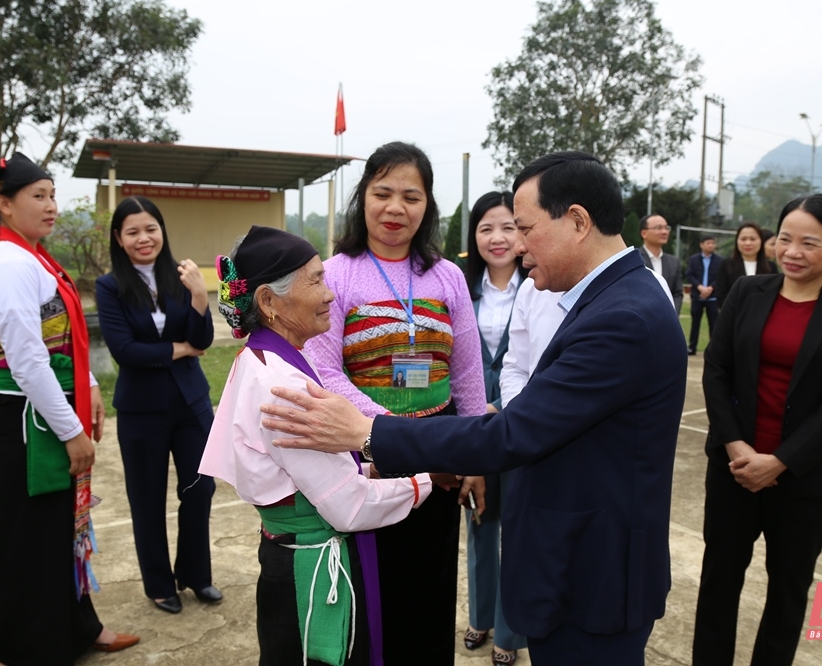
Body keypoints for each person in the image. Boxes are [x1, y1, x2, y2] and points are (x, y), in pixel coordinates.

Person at [264, 151, 688, 666]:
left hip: (592, 571)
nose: (517, 244)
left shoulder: (622, 316)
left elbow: (506, 428)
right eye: (382, 193)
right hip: (557, 549)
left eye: (526, 228)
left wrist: (370, 431)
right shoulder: (614, 300)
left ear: (577, 221)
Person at [198, 225, 437, 666]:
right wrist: (425, 480)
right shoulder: (283, 385)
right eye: (316, 281)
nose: (330, 295)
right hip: (313, 575)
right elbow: (347, 506)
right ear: (269, 302)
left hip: (291, 559)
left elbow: (314, 472)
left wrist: (372, 467)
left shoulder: (265, 359)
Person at [302, 141, 484, 665]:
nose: (395, 208)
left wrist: (472, 455)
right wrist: (386, 434)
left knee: (429, 590)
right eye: (382, 193)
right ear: (364, 199)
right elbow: (324, 370)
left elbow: (467, 370)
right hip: (366, 461)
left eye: (411, 195)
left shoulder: (447, 275)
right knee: (375, 597)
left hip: (440, 460)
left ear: (427, 206)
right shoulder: (335, 274)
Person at [0, 152, 139, 665]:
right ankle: (31, 647)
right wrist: (71, 432)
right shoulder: (8, 266)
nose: (50, 206)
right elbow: (27, 361)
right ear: (3, 203)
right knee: (29, 535)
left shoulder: (34, 257)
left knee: (61, 528)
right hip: (27, 418)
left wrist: (87, 389)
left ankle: (78, 628)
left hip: (50, 406)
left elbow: (64, 340)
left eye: (52, 194)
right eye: (37, 196)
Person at [692, 194, 822, 666]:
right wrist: (737, 447)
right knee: (719, 584)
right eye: (786, 239)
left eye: (809, 242)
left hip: (802, 481)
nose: (793, 251)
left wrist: (779, 461)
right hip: (734, 469)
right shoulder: (747, 294)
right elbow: (717, 370)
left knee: (788, 592)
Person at [94, 197, 220, 614]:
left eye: (150, 228)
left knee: (200, 488)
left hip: (191, 404)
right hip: (141, 409)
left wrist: (200, 298)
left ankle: (197, 576)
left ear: (161, 230)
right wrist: (178, 348)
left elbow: (201, 341)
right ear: (119, 238)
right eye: (132, 231)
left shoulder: (182, 276)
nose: (143, 238)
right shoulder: (110, 286)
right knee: (147, 499)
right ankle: (159, 584)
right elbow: (125, 351)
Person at [461, 190, 528, 665]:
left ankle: (510, 631)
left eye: (508, 226)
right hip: (471, 422)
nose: (498, 238)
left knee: (520, 527)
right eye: (486, 228)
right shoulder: (461, 287)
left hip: (523, 418)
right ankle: (481, 616)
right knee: (479, 516)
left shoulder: (541, 284)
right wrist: (473, 407)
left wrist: (499, 405)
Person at [713, 221, 778, 309]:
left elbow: (774, 295)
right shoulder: (727, 265)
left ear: (761, 241)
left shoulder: (770, 267)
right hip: (734, 318)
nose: (748, 243)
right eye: (743, 239)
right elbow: (721, 295)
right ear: (737, 241)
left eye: (752, 239)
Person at [685, 234, 724, 355]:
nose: (711, 245)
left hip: (713, 297)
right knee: (695, 323)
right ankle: (692, 347)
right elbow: (689, 275)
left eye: (713, 243)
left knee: (714, 324)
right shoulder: (694, 259)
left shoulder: (720, 260)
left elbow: (721, 276)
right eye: (708, 243)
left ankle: (714, 349)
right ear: (701, 245)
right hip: (698, 296)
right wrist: (700, 287)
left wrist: (710, 288)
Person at [639, 214, 684, 314]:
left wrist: (673, 315)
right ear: (644, 233)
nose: (664, 232)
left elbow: (677, 293)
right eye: (658, 228)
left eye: (666, 228)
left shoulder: (674, 262)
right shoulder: (634, 259)